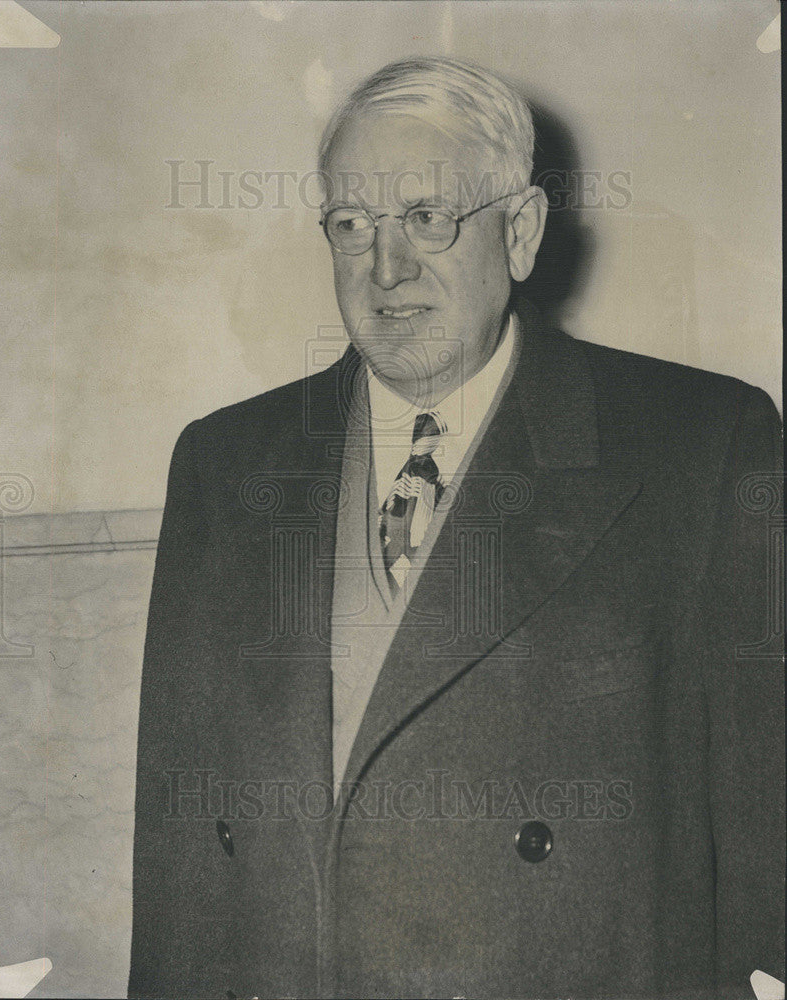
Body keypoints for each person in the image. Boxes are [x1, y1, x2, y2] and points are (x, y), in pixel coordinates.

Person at [128, 57, 784, 999]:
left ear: (519, 232)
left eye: (429, 218)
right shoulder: (225, 464)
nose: (387, 269)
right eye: (353, 227)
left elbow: (769, 823)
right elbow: (181, 850)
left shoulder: (699, 446)